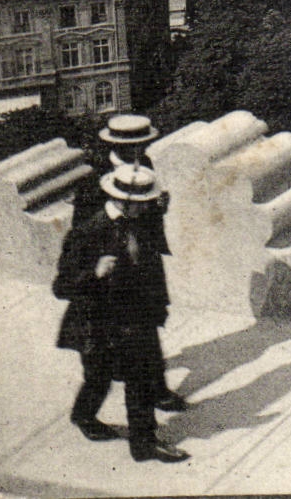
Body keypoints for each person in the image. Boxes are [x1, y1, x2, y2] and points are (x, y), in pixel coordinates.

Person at [53, 162, 191, 463]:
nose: (147, 208)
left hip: (135, 318)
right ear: (122, 201)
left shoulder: (139, 221)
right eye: (141, 203)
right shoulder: (88, 232)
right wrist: (94, 273)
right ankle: (84, 416)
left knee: (140, 379)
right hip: (97, 324)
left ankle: (143, 443)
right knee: (99, 378)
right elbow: (61, 287)